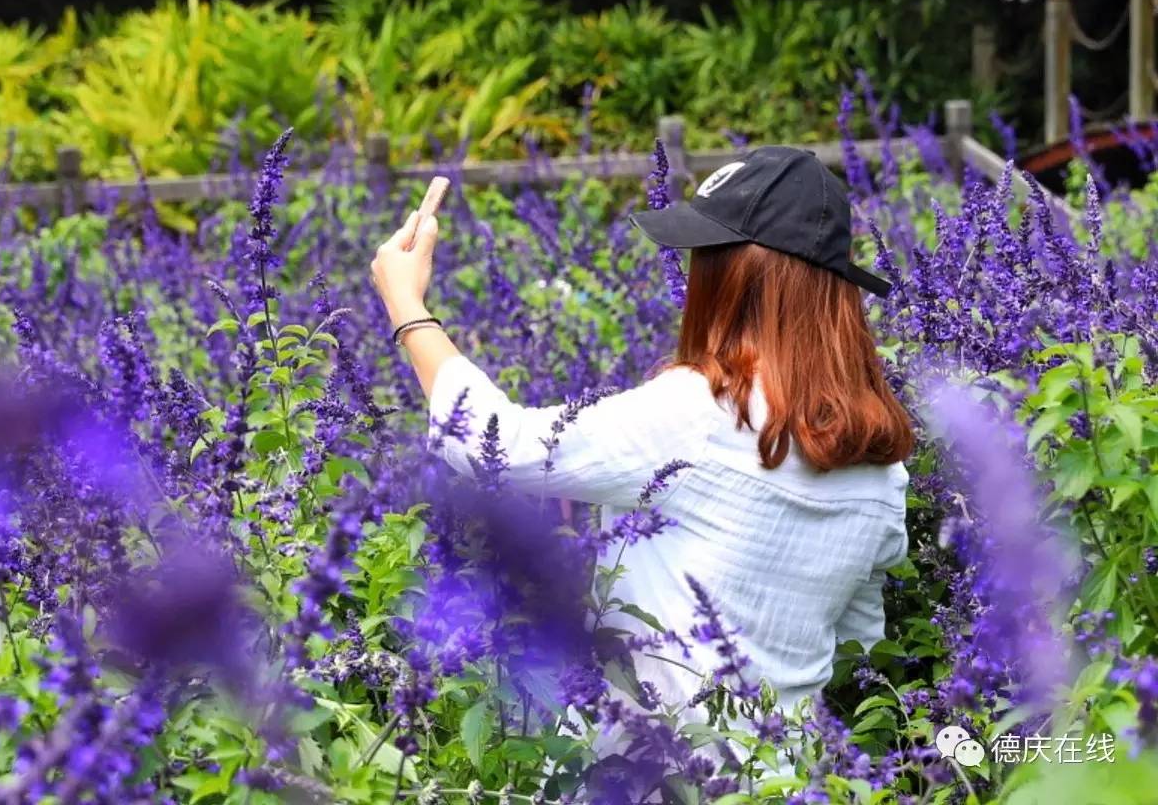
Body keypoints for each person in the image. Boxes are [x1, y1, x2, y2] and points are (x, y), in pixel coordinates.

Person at [369, 145, 914, 768]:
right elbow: (857, 642)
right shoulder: (881, 471)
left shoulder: (699, 414)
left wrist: (407, 306)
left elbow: (495, 443)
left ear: (733, 279)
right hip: (789, 778)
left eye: (704, 258)